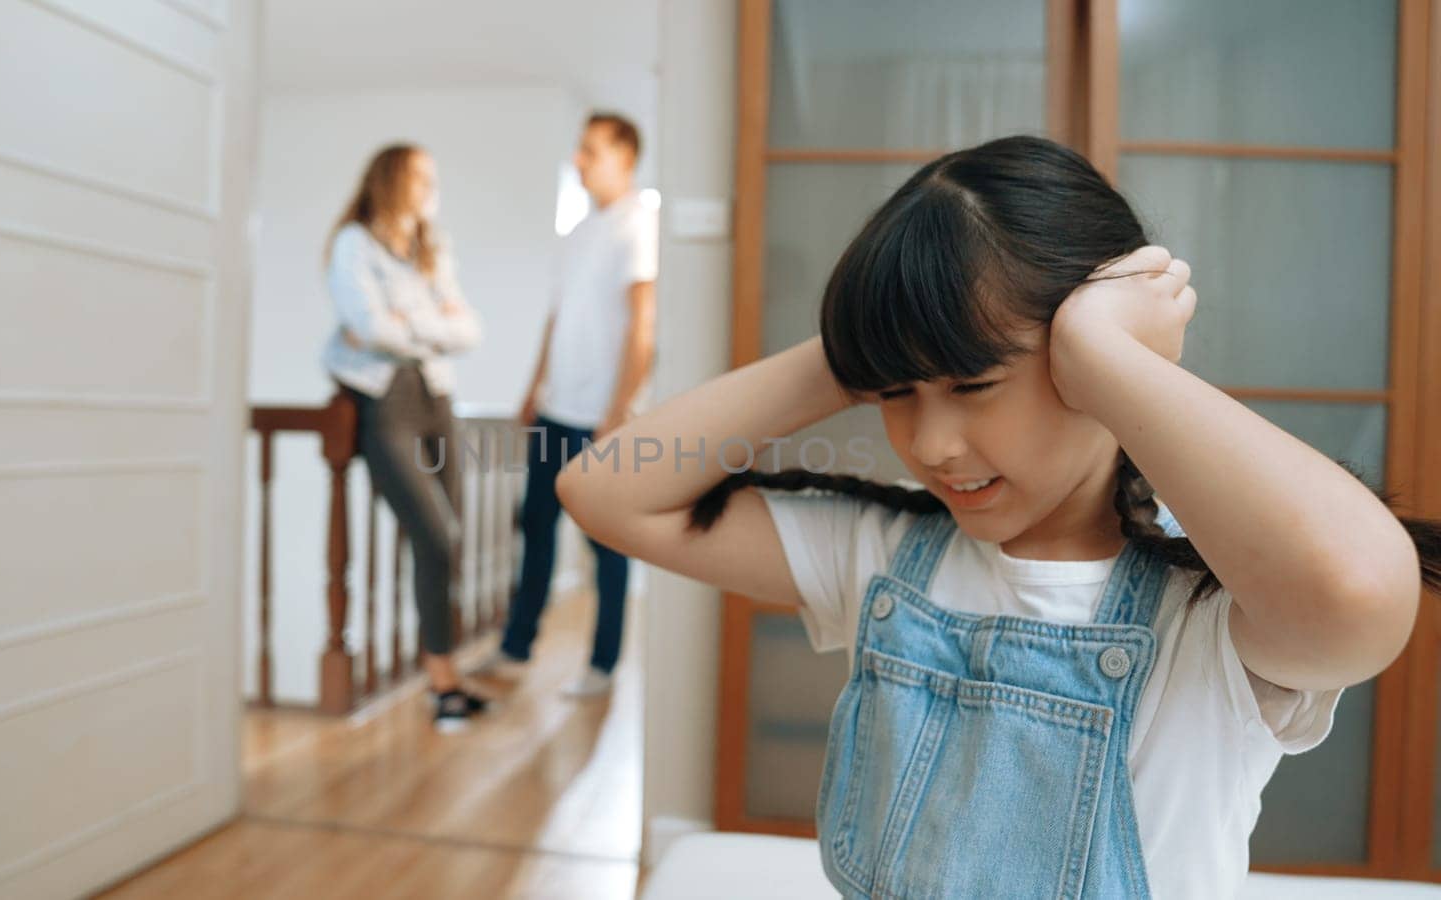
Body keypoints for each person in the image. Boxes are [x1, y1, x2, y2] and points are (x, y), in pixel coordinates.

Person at [554, 136, 1441, 896]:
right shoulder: (888, 558)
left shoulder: (1211, 619)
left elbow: (1361, 592)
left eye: (974, 384)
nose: (932, 443)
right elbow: (604, 489)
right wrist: (860, 344)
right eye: (895, 394)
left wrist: (1109, 352)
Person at [481, 112, 658, 697]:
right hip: (557, 408)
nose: (578, 161)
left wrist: (619, 409)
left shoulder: (638, 225)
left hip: (600, 417)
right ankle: (516, 646)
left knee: (605, 538)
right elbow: (558, 319)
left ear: (624, 158)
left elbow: (643, 325)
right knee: (536, 523)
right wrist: (534, 388)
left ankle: (602, 664)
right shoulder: (578, 232)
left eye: (591, 151)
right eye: (579, 150)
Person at [323, 144, 486, 732]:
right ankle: (441, 679)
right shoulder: (354, 246)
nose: (428, 188)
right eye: (419, 177)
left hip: (437, 398)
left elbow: (469, 329)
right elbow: (367, 328)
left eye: (432, 179)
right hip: (384, 403)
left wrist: (407, 328)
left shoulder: (431, 250)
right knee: (435, 533)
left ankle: (444, 670)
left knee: (451, 536)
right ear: (391, 180)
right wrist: (431, 327)